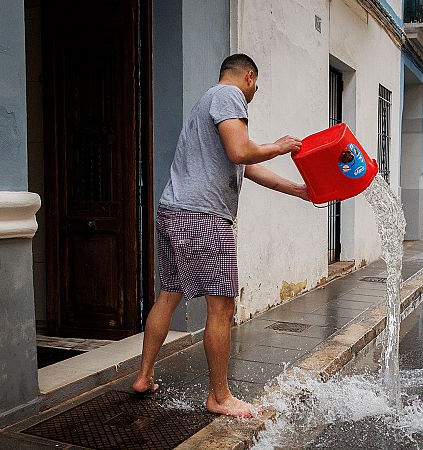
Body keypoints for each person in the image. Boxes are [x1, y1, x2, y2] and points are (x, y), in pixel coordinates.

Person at [131, 54, 308, 417]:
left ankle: (144, 376)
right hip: (204, 217)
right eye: (255, 84)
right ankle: (220, 396)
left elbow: (247, 164)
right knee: (222, 305)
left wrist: (299, 190)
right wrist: (281, 145)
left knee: (169, 295)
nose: (255, 90)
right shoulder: (229, 97)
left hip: (175, 211)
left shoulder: (207, 102)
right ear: (248, 76)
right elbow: (241, 150)